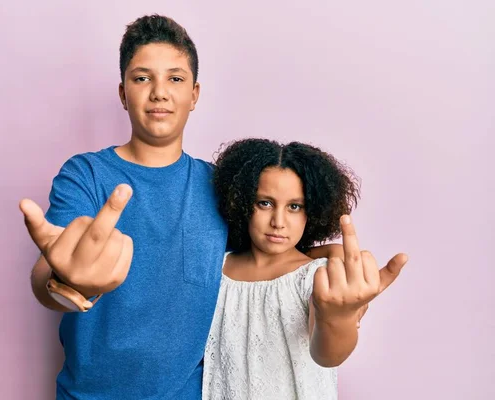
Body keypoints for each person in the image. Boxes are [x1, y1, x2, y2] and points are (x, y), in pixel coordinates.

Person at [20, 15, 362, 400]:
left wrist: (324, 257)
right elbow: (49, 273)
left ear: (195, 94)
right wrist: (66, 281)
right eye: (142, 78)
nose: (160, 92)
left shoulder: (221, 187)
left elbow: (265, 249)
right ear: (122, 93)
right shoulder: (86, 174)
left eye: (176, 79)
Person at [202, 138, 408, 399]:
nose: (278, 221)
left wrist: (337, 318)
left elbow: (327, 354)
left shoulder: (316, 276)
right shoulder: (216, 269)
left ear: (313, 212)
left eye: (294, 207)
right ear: (241, 203)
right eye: (264, 203)